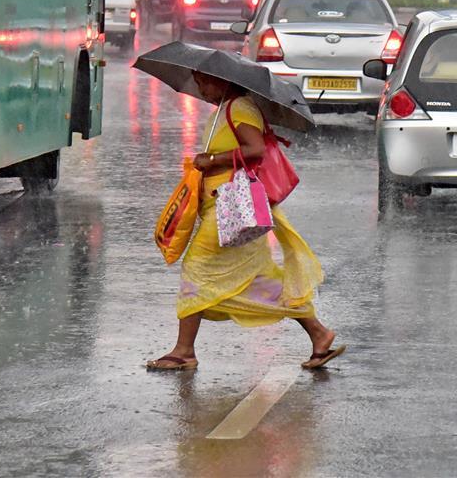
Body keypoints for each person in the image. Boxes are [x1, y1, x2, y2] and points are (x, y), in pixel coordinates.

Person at [147, 71, 345, 371]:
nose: (201, 90)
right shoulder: (225, 110)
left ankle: (184, 350)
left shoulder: (240, 107)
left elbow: (256, 150)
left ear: (223, 80)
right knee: (260, 279)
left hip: (232, 208)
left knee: (197, 267)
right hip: (221, 205)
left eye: (204, 83)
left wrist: (211, 160)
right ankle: (318, 333)